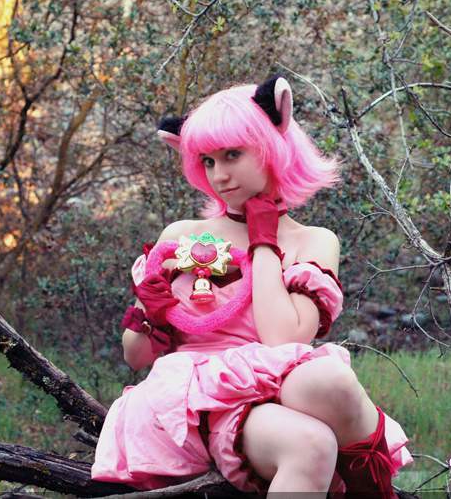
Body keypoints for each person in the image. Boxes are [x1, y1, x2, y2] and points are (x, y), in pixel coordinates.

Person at [91, 75, 413, 497]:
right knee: (313, 444)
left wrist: (264, 242)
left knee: (331, 380)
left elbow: (283, 339)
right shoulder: (183, 235)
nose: (220, 175)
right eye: (208, 161)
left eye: (232, 155)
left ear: (271, 146)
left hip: (276, 390)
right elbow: (135, 356)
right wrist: (151, 307)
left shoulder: (314, 240)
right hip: (197, 401)